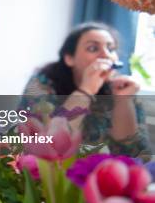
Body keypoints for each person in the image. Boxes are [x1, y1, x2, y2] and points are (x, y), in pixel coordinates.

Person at [20, 22, 151, 157]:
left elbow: (133, 154)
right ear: (70, 59)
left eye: (111, 49)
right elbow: (44, 148)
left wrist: (122, 101)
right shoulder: (41, 84)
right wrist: (86, 90)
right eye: (93, 48)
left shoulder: (122, 88)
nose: (106, 55)